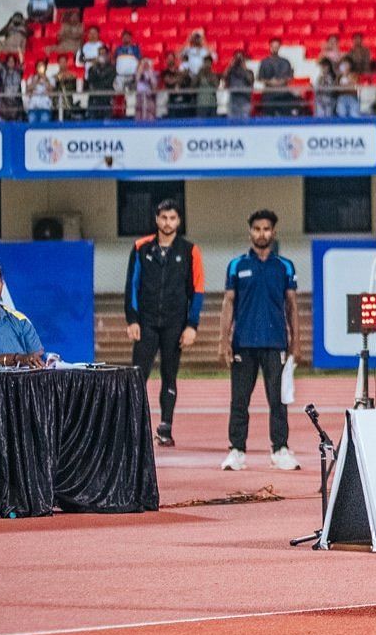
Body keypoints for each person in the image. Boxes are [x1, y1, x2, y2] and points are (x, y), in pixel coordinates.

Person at [218, 210, 300, 471]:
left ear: (274, 232)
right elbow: (228, 303)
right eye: (257, 228)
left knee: (278, 401)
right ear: (250, 232)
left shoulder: (284, 266)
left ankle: (280, 450)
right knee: (239, 401)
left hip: (276, 343)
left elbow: (292, 306)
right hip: (243, 343)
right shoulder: (237, 265)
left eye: (266, 229)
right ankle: (237, 451)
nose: (261, 233)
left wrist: (296, 342)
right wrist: (224, 341)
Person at [124, 199, 205, 448]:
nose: (167, 223)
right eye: (163, 218)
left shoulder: (190, 250)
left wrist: (192, 325)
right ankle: (134, 429)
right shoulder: (141, 248)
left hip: (175, 324)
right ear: (156, 219)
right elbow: (132, 286)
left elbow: (198, 291)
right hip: (146, 323)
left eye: (172, 218)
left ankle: (165, 428)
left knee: (169, 377)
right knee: (138, 377)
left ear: (179, 221)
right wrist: (132, 319)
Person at [0, 260, 45, 366]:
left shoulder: (20, 320)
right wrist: (14, 358)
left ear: (2, 284)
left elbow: (38, 357)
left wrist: (46, 359)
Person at [256, 38, 295, 116]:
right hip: (269, 95)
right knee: (268, 118)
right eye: (273, 47)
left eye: (276, 47)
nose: (275, 49)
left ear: (279, 47)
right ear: (270, 47)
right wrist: (270, 82)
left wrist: (281, 81)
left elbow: (290, 77)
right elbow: (260, 78)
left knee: (285, 118)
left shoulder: (286, 62)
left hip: (283, 94)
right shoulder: (264, 62)